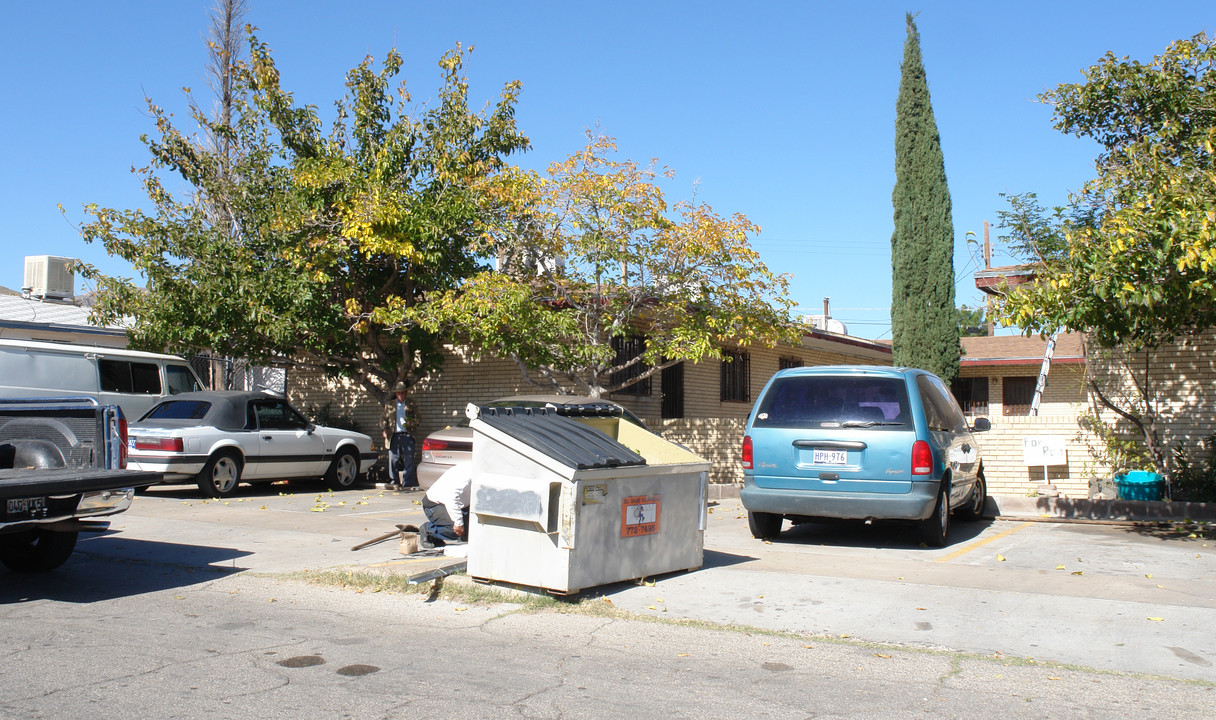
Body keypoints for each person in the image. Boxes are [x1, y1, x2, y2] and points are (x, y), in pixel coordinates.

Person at [419, 463, 472, 547]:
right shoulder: (467, 474)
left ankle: (462, 533)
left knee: (470, 530)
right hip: (435, 505)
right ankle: (428, 530)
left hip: (461, 505)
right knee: (455, 530)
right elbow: (451, 498)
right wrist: (458, 523)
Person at [383, 381, 418, 489]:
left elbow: (418, 418)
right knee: (393, 459)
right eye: (399, 393)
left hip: (407, 434)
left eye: (403, 393)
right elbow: (383, 419)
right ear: (396, 394)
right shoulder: (390, 405)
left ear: (406, 393)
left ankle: (407, 482)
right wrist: (384, 428)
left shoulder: (411, 404)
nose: (401, 395)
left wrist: (411, 422)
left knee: (409, 459)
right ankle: (394, 481)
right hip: (394, 435)